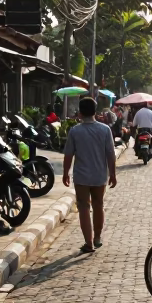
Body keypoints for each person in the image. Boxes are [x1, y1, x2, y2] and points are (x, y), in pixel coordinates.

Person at [62, 98, 117, 254]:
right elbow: (110, 154)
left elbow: (68, 155)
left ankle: (89, 242)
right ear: (95, 111)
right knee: (98, 205)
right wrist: (112, 174)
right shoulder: (105, 129)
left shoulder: (75, 131)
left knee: (84, 207)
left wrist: (66, 172)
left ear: (80, 112)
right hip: (100, 176)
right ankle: (97, 237)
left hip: (81, 177)